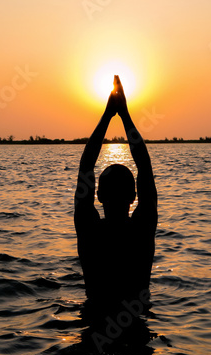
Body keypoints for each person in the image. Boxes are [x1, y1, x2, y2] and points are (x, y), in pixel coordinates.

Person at [74, 75, 157, 312]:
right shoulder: (142, 229)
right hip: (136, 327)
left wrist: (108, 116)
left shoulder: (90, 229)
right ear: (133, 197)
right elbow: (145, 167)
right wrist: (125, 115)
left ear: (98, 196)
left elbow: (86, 166)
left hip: (94, 321)